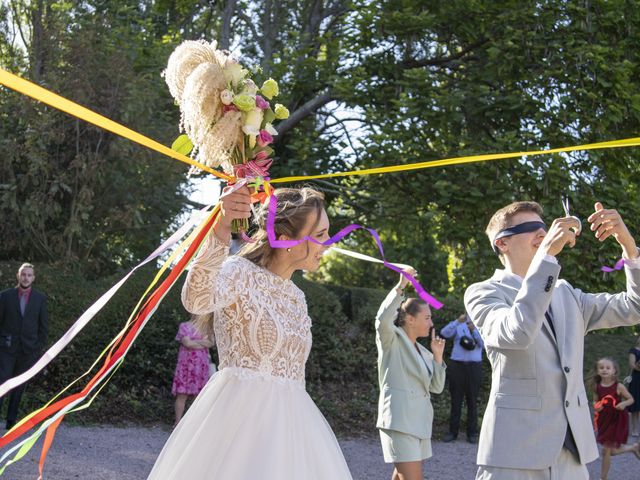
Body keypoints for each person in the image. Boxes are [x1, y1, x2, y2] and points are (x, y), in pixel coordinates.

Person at [147, 185, 353, 479]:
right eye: (320, 235)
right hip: (236, 425)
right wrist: (221, 227)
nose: (328, 243)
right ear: (285, 240)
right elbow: (197, 300)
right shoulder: (239, 272)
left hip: (293, 431)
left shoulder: (298, 297)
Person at [464, 200, 640, 479]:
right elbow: (516, 332)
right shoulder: (483, 292)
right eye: (529, 228)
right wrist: (546, 258)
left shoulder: (566, 293)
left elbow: (635, 306)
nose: (542, 233)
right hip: (515, 454)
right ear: (502, 244)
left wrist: (629, 248)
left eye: (543, 228)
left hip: (572, 453)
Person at [375, 267, 446, 480]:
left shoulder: (424, 352)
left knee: (401, 476)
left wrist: (438, 357)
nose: (431, 323)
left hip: (420, 423)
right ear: (410, 319)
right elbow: (382, 320)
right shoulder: (392, 340)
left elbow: (436, 387)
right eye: (427, 317)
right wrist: (401, 286)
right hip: (400, 421)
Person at [0, 263, 48, 430]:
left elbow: (43, 327)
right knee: (2, 383)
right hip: (6, 349)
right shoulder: (5, 296)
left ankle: (11, 422)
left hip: (28, 351)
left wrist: (37, 348)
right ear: (18, 276)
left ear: (33, 278)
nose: (26, 277)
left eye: (29, 275)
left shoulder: (40, 298)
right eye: (23, 274)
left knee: (19, 386)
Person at [590, 357, 640, 480]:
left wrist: (623, 404)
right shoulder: (596, 386)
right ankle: (633, 447)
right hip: (604, 420)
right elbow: (595, 401)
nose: (604, 370)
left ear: (614, 371)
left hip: (616, 420)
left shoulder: (619, 386)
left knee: (606, 450)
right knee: (608, 451)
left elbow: (631, 399)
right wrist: (596, 407)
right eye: (601, 368)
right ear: (597, 371)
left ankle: (603, 478)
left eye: (608, 368)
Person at [440, 312, 484, 444]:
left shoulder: (482, 326)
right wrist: (457, 322)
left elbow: (484, 344)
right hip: (457, 366)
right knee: (456, 400)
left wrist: (474, 331)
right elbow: (444, 333)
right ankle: (452, 432)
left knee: (472, 401)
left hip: (474, 367)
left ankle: (472, 433)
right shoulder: (459, 324)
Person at [171, 316, 215, 425]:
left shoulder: (206, 327)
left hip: (201, 366)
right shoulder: (184, 326)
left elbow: (211, 343)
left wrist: (194, 342)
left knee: (198, 396)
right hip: (186, 366)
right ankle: (177, 423)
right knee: (182, 394)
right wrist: (202, 342)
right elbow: (187, 343)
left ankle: (194, 424)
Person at [626, 336, 640, 437]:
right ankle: (634, 430)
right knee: (635, 406)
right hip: (636, 380)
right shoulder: (634, 350)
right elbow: (632, 365)